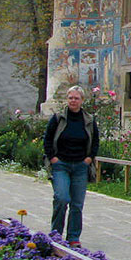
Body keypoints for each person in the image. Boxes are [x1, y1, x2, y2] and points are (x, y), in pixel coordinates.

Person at [44, 85, 99, 247]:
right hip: (61, 164)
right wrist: (53, 158)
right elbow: (47, 139)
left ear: (82, 100)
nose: (73, 101)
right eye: (70, 98)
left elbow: (95, 141)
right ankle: (56, 234)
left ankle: (73, 237)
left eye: (76, 98)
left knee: (77, 203)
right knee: (61, 198)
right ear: (66, 100)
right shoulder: (58, 118)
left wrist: (89, 159)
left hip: (80, 166)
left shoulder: (88, 120)